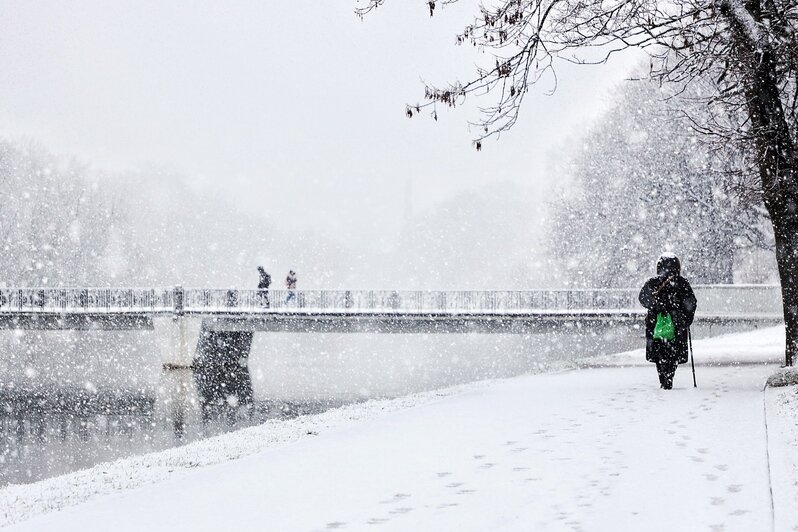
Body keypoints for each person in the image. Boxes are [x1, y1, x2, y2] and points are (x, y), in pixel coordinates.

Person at [638, 253, 697, 389]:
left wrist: (657, 306)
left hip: (656, 325)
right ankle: (669, 376)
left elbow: (643, 298)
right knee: (673, 353)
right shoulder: (682, 283)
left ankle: (663, 377)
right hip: (677, 325)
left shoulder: (653, 283)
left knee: (659, 354)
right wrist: (686, 319)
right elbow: (691, 303)